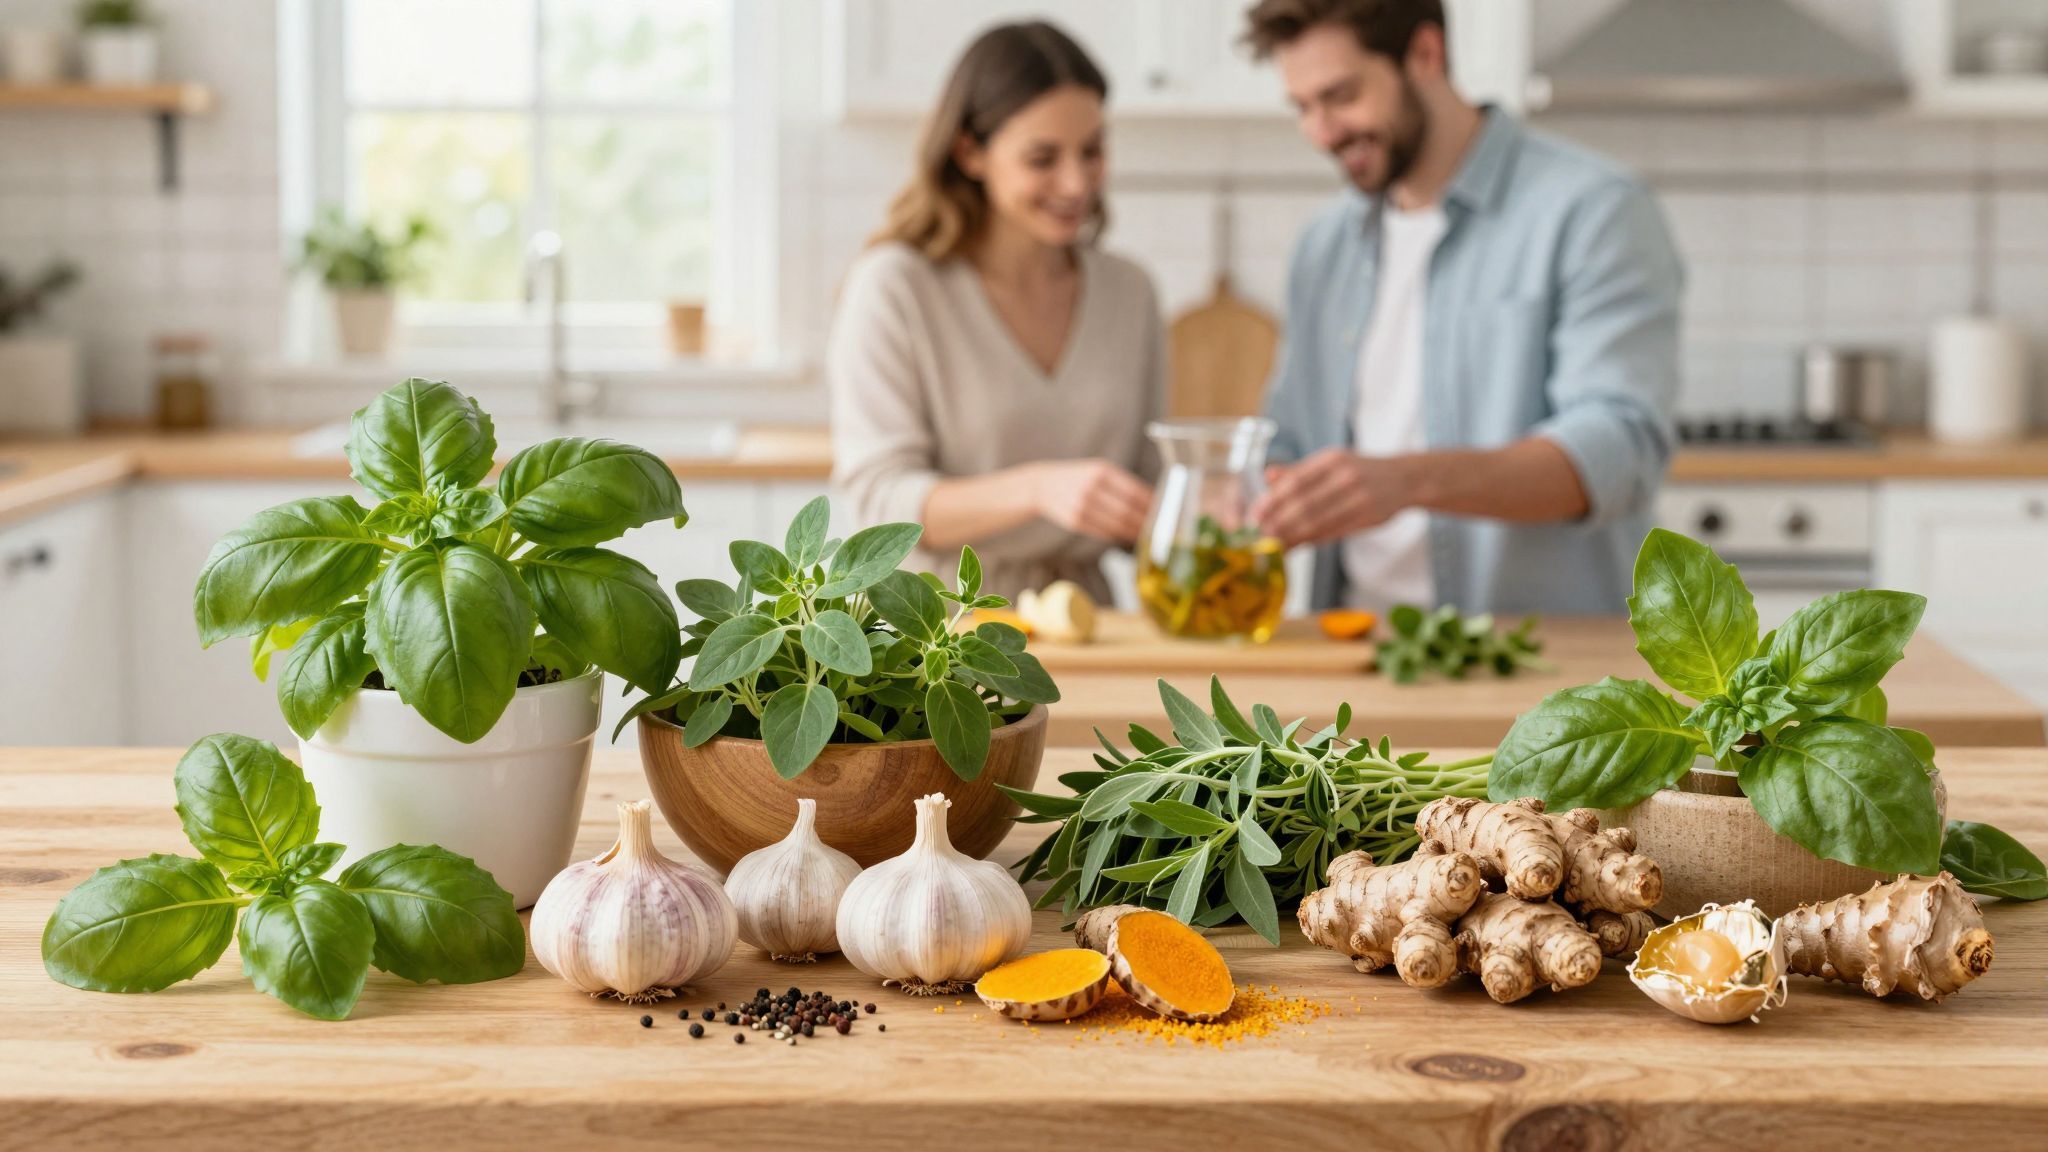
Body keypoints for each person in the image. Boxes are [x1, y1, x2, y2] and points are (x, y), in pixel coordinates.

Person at [1241, 0, 1683, 615]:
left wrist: (1407, 481)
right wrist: (1244, 489)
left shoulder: (1593, 210)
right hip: (1355, 639)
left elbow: (1618, 449)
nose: (1322, 132)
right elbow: (1289, 436)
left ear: (1425, 54)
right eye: (1302, 107)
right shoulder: (1325, 245)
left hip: (1532, 651)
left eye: (1341, 96)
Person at [828, 21, 1166, 602]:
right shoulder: (896, 286)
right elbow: (878, 504)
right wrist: (1038, 490)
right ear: (970, 152)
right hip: (939, 629)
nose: (1076, 182)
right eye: (1043, 158)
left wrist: (1220, 505)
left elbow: (1150, 498)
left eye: (1091, 151)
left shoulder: (1130, 292)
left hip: (1091, 626)